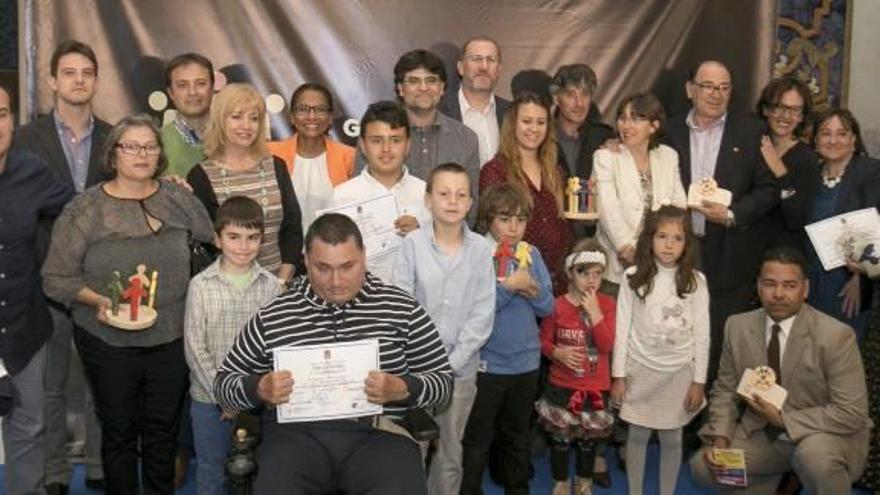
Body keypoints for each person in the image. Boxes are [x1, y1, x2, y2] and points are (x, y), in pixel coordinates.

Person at [214, 213, 454, 494]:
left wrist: (403, 388)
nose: (336, 280)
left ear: (364, 256)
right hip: (295, 438)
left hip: (379, 435)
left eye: (347, 266)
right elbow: (223, 386)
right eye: (323, 268)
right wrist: (258, 388)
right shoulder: (274, 315)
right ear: (305, 261)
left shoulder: (402, 309)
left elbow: (443, 383)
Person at [42, 114, 215, 494]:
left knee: (162, 433)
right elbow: (55, 278)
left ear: (160, 154)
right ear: (114, 153)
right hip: (106, 340)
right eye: (131, 146)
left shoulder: (179, 199)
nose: (141, 153)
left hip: (170, 337)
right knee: (118, 433)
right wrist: (95, 299)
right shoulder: (84, 209)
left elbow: (214, 249)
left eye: (150, 146)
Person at [11, 39, 110, 494]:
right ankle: (52, 474)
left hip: (99, 280)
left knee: (99, 379)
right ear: (52, 80)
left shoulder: (114, 138)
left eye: (86, 72)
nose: (78, 80)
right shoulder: (23, 138)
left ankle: (96, 464)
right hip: (42, 281)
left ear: (96, 79)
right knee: (45, 388)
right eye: (68, 72)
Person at [690, 247, 871, 494]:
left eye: (789, 285)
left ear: (805, 289)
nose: (778, 294)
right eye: (770, 284)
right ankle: (776, 482)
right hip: (765, 436)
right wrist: (720, 437)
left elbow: (851, 413)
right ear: (758, 287)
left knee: (814, 460)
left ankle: (799, 476)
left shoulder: (836, 336)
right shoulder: (737, 326)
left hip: (823, 436)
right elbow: (725, 390)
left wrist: (784, 420)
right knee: (704, 467)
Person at [662, 60, 776, 385]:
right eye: (709, 86)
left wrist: (731, 214)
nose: (716, 94)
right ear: (690, 89)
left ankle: (715, 427)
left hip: (730, 260)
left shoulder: (751, 131)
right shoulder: (667, 132)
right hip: (678, 256)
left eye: (724, 88)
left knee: (721, 347)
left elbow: (769, 190)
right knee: (675, 340)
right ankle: (676, 425)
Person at [392, 163, 495, 495]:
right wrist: (427, 364)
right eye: (444, 193)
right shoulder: (412, 246)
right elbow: (401, 305)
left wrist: (449, 365)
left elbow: (482, 314)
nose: (452, 201)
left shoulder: (481, 249)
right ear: (428, 199)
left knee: (450, 453)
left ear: (470, 203)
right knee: (412, 450)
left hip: (460, 372)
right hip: (417, 370)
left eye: (461, 195)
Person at [0, 83, 74, 495]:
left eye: (2, 113)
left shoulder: (32, 169)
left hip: (25, 325)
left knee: (30, 426)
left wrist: (142, 187)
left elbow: (81, 210)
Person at [183, 196, 283, 495]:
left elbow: (275, 346)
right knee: (211, 471)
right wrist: (224, 395)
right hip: (209, 401)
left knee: (257, 471)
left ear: (262, 240)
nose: (243, 246)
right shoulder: (200, 285)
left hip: (257, 400)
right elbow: (194, 347)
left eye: (252, 238)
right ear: (217, 239)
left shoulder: (272, 287)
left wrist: (250, 393)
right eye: (234, 237)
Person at [460, 183, 554, 495]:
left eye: (520, 220)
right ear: (488, 219)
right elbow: (478, 308)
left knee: (517, 435)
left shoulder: (532, 254)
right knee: (478, 437)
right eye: (505, 219)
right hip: (488, 363)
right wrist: (511, 288)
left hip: (525, 362)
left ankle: (517, 488)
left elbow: (547, 305)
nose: (514, 227)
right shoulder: (477, 254)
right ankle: (469, 488)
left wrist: (532, 290)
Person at [611, 205, 710, 495]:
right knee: (638, 436)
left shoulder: (696, 281)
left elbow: (703, 334)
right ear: (649, 239)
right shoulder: (632, 277)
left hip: (679, 373)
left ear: (687, 243)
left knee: (673, 438)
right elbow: (622, 328)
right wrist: (619, 375)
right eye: (662, 236)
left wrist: (699, 380)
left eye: (677, 238)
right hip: (640, 370)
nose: (669, 245)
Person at [187, 83, 304, 282]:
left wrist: (281, 283)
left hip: (280, 286)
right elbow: (204, 242)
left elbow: (292, 228)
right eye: (236, 116)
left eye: (254, 118)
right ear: (220, 121)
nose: (246, 126)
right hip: (228, 291)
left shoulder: (276, 166)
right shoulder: (200, 176)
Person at [537, 239, 617, 495]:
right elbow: (543, 341)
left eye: (597, 274)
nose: (592, 280)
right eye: (584, 273)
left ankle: (584, 480)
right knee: (560, 441)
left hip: (595, 389)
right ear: (570, 273)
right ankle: (560, 481)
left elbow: (606, 345)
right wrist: (557, 352)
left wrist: (595, 315)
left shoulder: (606, 304)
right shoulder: (557, 305)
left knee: (588, 443)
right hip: (562, 386)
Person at [356, 49, 481, 208]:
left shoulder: (466, 139)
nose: (423, 88)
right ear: (401, 88)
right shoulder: (376, 133)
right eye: (414, 81)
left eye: (431, 80)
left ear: (442, 88)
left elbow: (471, 205)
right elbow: (360, 196)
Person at [481, 91, 572, 294]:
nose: (534, 129)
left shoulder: (556, 171)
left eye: (541, 122)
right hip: (515, 282)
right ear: (513, 124)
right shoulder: (495, 170)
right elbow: (491, 228)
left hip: (557, 283)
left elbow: (564, 227)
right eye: (527, 121)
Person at [594, 92, 687, 291]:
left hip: (660, 266)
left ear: (654, 125)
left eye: (635, 119)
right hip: (616, 271)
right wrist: (627, 249)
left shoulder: (668, 156)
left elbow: (679, 207)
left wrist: (658, 252)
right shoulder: (606, 156)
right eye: (622, 118)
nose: (626, 126)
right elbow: (607, 210)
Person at [330, 101, 427, 282]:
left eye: (395, 140)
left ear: (407, 146)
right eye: (376, 140)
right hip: (359, 302)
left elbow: (447, 253)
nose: (386, 149)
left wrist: (424, 234)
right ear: (363, 145)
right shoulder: (341, 197)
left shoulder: (427, 195)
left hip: (417, 300)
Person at [804, 109, 880, 339]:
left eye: (842, 133)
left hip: (848, 285)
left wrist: (861, 277)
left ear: (854, 139)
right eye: (826, 133)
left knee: (842, 357)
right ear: (815, 140)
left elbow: (875, 232)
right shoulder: (809, 176)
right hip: (810, 281)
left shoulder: (872, 172)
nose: (833, 140)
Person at [267, 82, 355, 230]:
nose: (311, 116)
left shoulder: (349, 156)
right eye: (302, 109)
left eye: (320, 110)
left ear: (330, 117)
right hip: (282, 251)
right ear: (292, 117)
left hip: (333, 249)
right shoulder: (270, 154)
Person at [755, 76, 821, 251]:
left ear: (802, 117)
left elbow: (797, 220)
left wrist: (781, 173)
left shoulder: (807, 159)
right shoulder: (749, 145)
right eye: (779, 107)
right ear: (765, 109)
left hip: (782, 254)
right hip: (742, 248)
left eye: (795, 110)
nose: (786, 116)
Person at [439, 36, 510, 165]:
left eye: (491, 60)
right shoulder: (439, 112)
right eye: (476, 59)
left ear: (499, 69)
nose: (483, 67)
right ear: (460, 67)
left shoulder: (512, 112)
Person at [550, 64, 614, 180]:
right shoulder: (542, 136)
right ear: (556, 98)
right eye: (570, 95)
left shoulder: (603, 136)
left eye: (585, 94)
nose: (579, 103)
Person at [162, 52, 214, 178]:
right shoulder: (154, 144)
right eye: (182, 85)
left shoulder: (234, 135)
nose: (192, 92)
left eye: (201, 83)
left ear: (212, 88)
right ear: (170, 93)